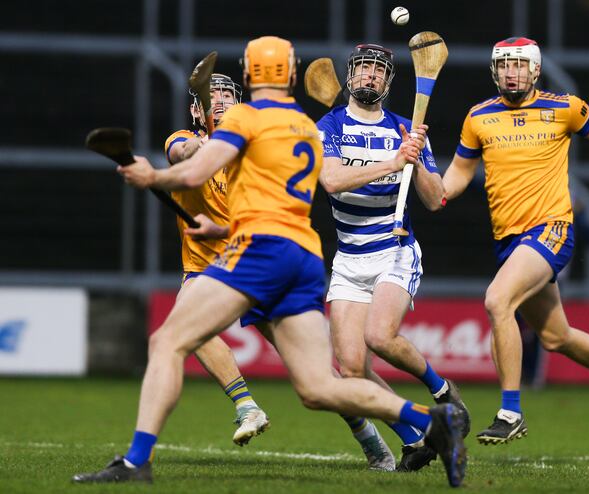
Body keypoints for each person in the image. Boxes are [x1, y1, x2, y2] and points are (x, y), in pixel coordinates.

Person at [72, 36, 466, 488]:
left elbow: (195, 170)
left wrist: (150, 175)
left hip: (259, 252)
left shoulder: (249, 118)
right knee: (320, 387)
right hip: (302, 255)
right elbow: (273, 196)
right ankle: (431, 420)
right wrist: (222, 228)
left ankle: (136, 461)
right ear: (292, 76)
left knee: (167, 341)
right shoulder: (303, 125)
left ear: (248, 76)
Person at [441, 37, 589, 445]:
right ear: (494, 71)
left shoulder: (564, 107)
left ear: (535, 70)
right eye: (504, 65)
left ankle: (510, 412)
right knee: (556, 337)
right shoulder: (478, 116)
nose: (511, 72)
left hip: (551, 228)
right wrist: (433, 187)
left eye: (519, 65)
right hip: (509, 240)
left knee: (497, 300)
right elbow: (458, 175)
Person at [316, 43, 469, 470]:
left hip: (393, 249)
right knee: (350, 370)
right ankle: (415, 438)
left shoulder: (406, 128)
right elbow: (331, 181)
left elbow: (436, 199)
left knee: (380, 337)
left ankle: (443, 393)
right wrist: (393, 162)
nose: (370, 75)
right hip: (348, 258)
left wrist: (415, 161)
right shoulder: (329, 125)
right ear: (350, 75)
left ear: (388, 81)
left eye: (378, 71)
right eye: (363, 68)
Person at [163, 72, 268, 447]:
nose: (219, 100)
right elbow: (181, 153)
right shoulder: (183, 139)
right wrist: (203, 147)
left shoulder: (253, 153)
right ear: (197, 111)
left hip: (256, 262)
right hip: (206, 267)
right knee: (186, 326)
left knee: (314, 378)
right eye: (211, 96)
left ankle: (373, 434)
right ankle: (247, 406)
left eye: (226, 95)